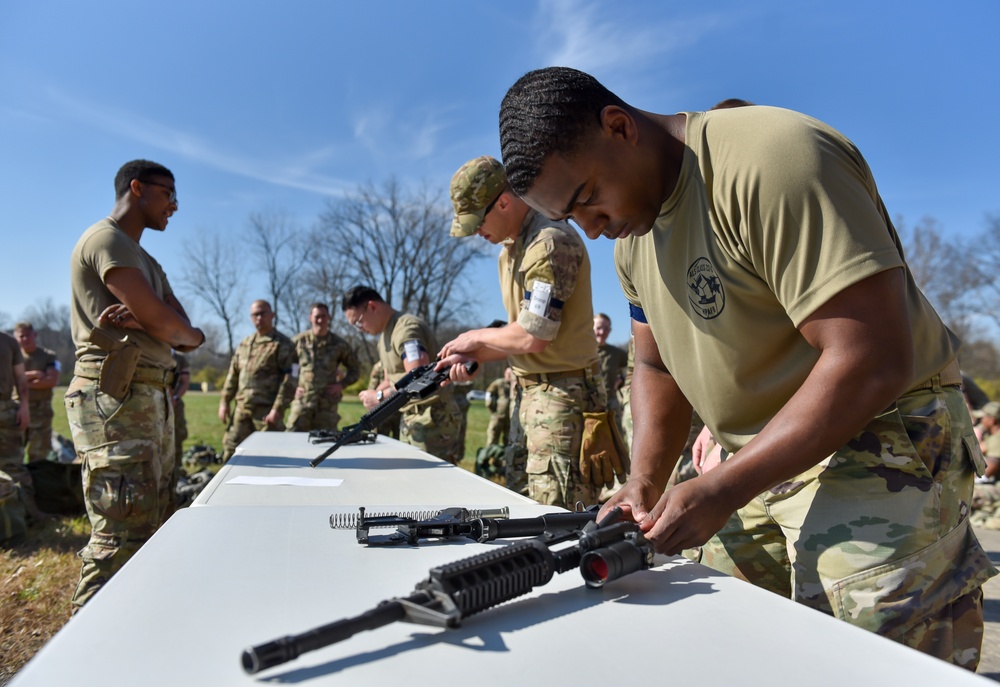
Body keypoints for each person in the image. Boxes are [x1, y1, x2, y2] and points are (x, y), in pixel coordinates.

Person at [497, 67, 996, 668]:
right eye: (570, 217)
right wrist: (646, 480)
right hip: (757, 458)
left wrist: (722, 487)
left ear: (619, 126)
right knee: (702, 627)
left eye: (587, 199)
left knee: (868, 653)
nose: (593, 230)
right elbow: (654, 365)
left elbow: (870, 356)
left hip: (880, 428)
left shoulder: (773, 159)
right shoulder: (634, 236)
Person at [438, 156, 621, 510]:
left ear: (504, 202)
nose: (477, 232)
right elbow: (517, 337)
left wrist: (476, 338)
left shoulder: (549, 242)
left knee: (558, 515)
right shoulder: (510, 250)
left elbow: (533, 334)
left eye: (478, 222)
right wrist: (469, 356)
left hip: (562, 399)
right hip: (529, 395)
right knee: (523, 506)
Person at [65, 159, 204, 608]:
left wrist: (173, 328)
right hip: (116, 399)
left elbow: (183, 332)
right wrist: (163, 324)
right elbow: (169, 323)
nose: (175, 206)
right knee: (119, 537)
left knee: (151, 524)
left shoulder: (146, 259)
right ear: (137, 188)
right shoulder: (107, 240)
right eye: (169, 194)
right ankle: (78, 662)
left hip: (149, 396)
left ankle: (138, 630)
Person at [341, 286, 462, 463]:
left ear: (372, 307)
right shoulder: (384, 337)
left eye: (358, 322)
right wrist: (373, 395)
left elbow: (420, 380)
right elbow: (391, 378)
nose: (360, 329)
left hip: (432, 419)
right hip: (411, 418)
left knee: (432, 484)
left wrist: (380, 396)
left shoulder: (406, 330)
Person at [219, 300, 296, 461]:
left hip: (267, 414)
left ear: (272, 315)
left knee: (270, 458)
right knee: (231, 453)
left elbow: (290, 380)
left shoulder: (283, 344)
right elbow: (233, 374)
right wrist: (225, 401)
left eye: (263, 313)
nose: (259, 317)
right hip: (242, 411)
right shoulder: (245, 343)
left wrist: (278, 409)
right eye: (255, 314)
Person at [287, 302, 361, 432]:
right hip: (303, 401)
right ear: (311, 318)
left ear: (329, 317)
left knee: (327, 442)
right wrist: (293, 386)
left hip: (327, 405)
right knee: (293, 437)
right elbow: (285, 367)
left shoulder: (339, 344)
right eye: (317, 317)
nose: (320, 320)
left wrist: (341, 385)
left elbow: (355, 369)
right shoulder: (298, 341)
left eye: (323, 316)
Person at [1, 330, 45, 520]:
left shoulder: (9, 342)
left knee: (14, 466)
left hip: (5, 410)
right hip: (6, 409)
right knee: (13, 466)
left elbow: (20, 378)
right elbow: (21, 377)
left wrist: (24, 406)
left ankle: (27, 516)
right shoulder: (10, 341)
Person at [13, 322, 60, 463]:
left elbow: (51, 380)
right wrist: (35, 374)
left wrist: (20, 380)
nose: (25, 339)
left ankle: (37, 483)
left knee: (39, 454)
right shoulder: (11, 357)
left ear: (35, 335)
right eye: (21, 336)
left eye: (28, 335)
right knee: (13, 454)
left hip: (41, 411)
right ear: (15, 337)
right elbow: (6, 379)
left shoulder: (49, 356)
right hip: (15, 410)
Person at [170, 351, 190, 505]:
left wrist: (175, 397)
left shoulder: (179, 359)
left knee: (176, 443)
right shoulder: (151, 349)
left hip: (174, 407)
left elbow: (185, 381)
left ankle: (175, 486)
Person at [366, 360, 400, 439]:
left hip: (384, 409)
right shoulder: (397, 365)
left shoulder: (379, 366)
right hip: (393, 408)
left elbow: (372, 389)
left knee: (380, 440)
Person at [484, 368, 513, 447]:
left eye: (512, 374)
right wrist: (489, 404)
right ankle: (490, 456)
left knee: (509, 439)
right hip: (498, 415)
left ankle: (505, 457)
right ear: (505, 374)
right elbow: (489, 392)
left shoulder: (515, 385)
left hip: (510, 418)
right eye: (508, 374)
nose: (510, 376)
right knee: (493, 436)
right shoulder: (499, 383)